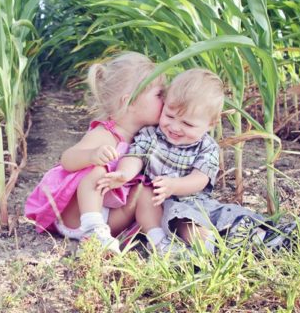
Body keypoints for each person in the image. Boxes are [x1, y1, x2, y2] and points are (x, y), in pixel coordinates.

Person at [97, 68, 270, 255]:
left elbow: (200, 179)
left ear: (211, 124)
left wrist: (174, 186)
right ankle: (201, 247)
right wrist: (124, 174)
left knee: (218, 215)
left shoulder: (207, 147)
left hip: (191, 202)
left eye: (187, 124)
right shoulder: (151, 135)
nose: (175, 127)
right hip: (153, 203)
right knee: (175, 217)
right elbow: (135, 157)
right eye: (169, 116)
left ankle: (245, 237)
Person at [24, 52, 166, 254]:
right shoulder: (106, 134)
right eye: (159, 94)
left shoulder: (144, 138)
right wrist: (91, 155)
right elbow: (67, 160)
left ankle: (156, 237)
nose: (165, 99)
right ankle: (93, 231)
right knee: (97, 170)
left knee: (145, 191)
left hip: (110, 217)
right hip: (77, 216)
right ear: (130, 102)